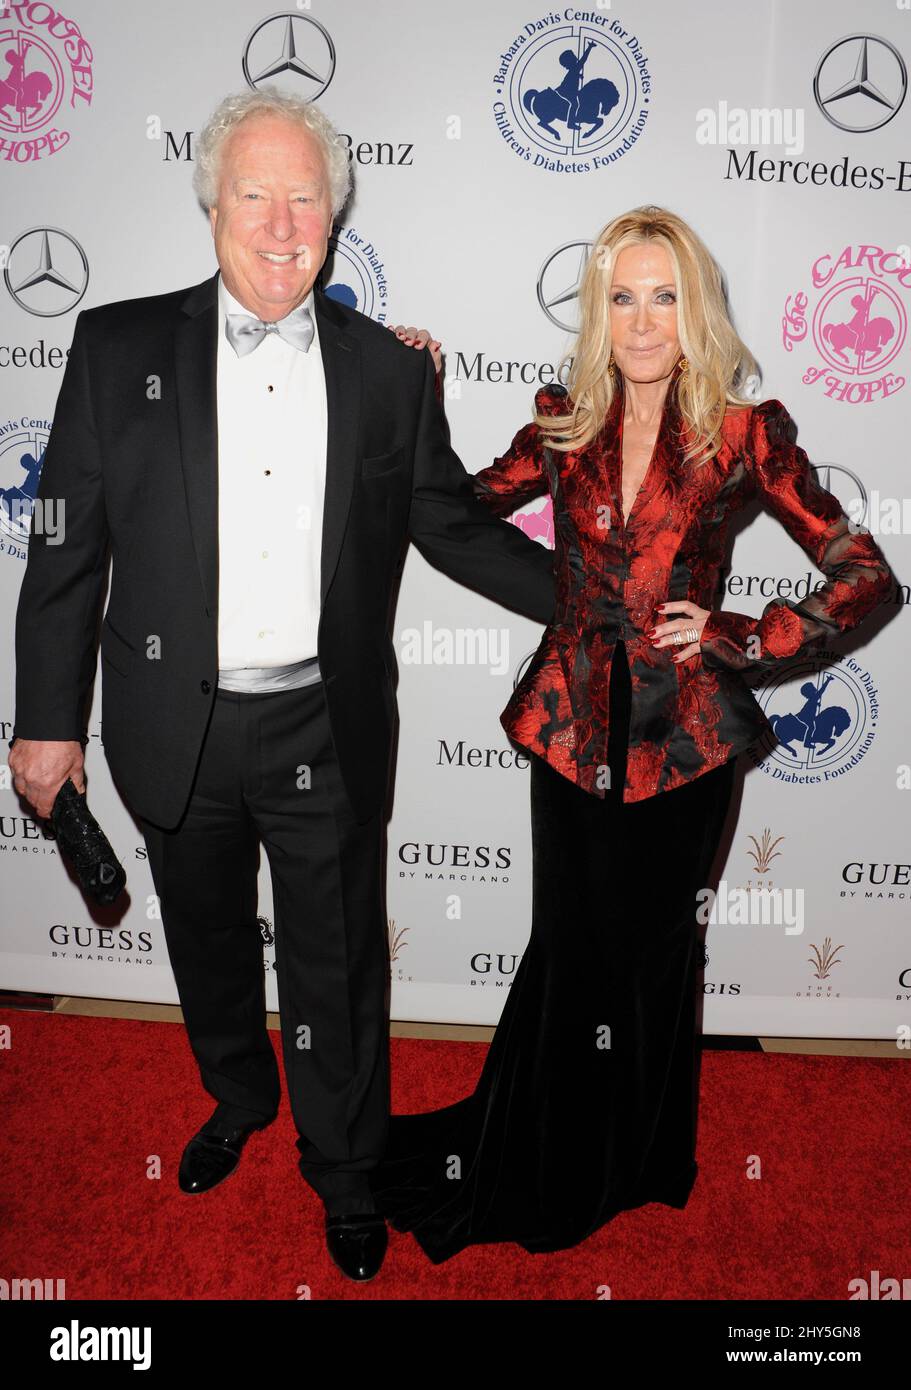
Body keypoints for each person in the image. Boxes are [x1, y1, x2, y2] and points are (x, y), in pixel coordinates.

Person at [8, 88, 557, 1283]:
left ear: (334, 212)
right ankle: (236, 1094)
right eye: (253, 193)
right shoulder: (113, 348)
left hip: (323, 717)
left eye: (302, 195)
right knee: (206, 940)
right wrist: (46, 724)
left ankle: (347, 1166)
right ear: (213, 206)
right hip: (170, 721)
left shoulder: (387, 372)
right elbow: (62, 543)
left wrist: (593, 600)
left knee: (337, 957)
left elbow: (453, 529)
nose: (278, 221)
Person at [369, 205, 894, 1263]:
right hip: (569, 727)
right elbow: (455, 509)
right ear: (596, 310)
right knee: (570, 952)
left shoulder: (744, 435)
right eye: (621, 296)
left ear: (692, 308)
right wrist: (414, 398)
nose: (643, 320)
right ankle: (548, 1161)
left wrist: (745, 633)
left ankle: (642, 1159)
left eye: (663, 296)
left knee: (656, 958)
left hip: (685, 741)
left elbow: (863, 572)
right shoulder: (563, 424)